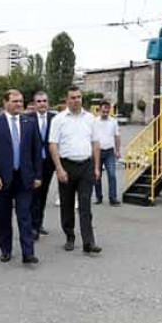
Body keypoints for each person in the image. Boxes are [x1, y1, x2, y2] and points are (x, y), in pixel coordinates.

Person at [0, 89, 43, 265]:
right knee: (3, 216)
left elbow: (37, 151)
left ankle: (28, 253)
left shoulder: (30, 123)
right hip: (2, 179)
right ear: (5, 102)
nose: (19, 104)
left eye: (21, 101)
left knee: (25, 215)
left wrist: (38, 175)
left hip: (24, 177)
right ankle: (6, 250)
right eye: (15, 101)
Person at [48, 86, 102, 254]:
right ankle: (69, 236)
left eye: (78, 97)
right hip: (67, 166)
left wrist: (96, 167)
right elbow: (53, 145)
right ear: (67, 99)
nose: (76, 100)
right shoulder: (58, 119)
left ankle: (89, 242)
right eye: (72, 97)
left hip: (86, 166)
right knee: (67, 204)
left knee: (85, 205)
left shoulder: (91, 118)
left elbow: (95, 143)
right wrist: (59, 168)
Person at [28, 91, 55, 240]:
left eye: (44, 101)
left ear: (48, 103)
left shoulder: (54, 119)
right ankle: (32, 225)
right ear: (34, 104)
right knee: (33, 194)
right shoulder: (27, 119)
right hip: (32, 164)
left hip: (49, 163)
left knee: (43, 194)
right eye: (38, 101)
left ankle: (39, 224)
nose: (42, 104)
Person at [93, 100, 122, 206]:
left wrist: (117, 151)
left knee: (112, 174)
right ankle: (99, 197)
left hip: (109, 152)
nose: (105, 113)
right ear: (99, 110)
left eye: (107, 111)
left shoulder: (113, 122)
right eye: (103, 111)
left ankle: (113, 198)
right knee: (97, 175)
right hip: (98, 152)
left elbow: (117, 136)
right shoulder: (94, 122)